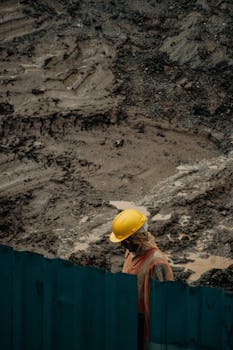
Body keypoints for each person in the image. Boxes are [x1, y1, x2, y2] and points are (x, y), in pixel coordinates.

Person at [109, 208, 174, 350]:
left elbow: (164, 307)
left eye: (125, 241)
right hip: (129, 319)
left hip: (145, 328)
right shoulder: (132, 251)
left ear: (137, 238)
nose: (122, 245)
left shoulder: (157, 264)